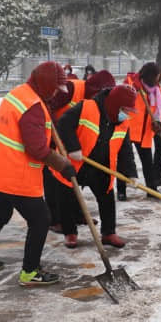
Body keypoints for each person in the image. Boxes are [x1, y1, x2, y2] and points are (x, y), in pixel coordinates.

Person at [0, 61, 75, 287]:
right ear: (46, 84)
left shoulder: (21, 93)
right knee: (40, 219)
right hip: (15, 173)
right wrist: (63, 164)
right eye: (55, 87)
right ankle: (30, 272)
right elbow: (36, 149)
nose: (56, 92)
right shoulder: (33, 105)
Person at [52, 83, 138, 248]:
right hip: (76, 162)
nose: (127, 114)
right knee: (67, 198)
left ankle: (108, 232)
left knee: (106, 198)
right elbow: (63, 123)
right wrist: (73, 148)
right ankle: (70, 233)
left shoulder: (123, 122)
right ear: (115, 105)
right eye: (125, 110)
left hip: (101, 166)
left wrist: (131, 173)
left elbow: (125, 149)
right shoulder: (86, 107)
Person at [44, 71, 114, 233]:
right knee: (53, 180)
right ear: (92, 88)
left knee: (73, 180)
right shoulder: (71, 88)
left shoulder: (99, 103)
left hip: (75, 143)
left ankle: (77, 214)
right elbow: (47, 106)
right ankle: (55, 219)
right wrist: (56, 134)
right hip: (52, 139)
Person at [122, 62, 161, 196]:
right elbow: (119, 102)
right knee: (124, 161)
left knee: (147, 162)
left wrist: (158, 122)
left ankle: (152, 190)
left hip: (145, 131)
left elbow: (158, 110)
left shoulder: (156, 90)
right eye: (156, 76)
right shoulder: (131, 84)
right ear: (150, 75)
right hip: (128, 128)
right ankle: (121, 191)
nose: (158, 79)